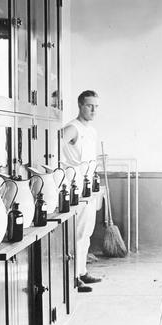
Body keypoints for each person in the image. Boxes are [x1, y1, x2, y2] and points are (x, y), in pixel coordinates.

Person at [61, 90, 101, 293]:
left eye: (96, 106)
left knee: (87, 232)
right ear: (80, 106)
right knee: (77, 233)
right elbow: (53, 146)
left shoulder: (91, 131)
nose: (93, 110)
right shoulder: (72, 128)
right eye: (89, 105)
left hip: (88, 186)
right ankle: (73, 278)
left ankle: (82, 270)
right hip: (74, 186)